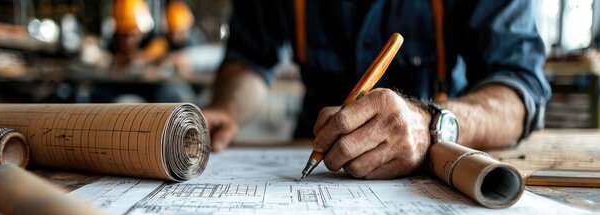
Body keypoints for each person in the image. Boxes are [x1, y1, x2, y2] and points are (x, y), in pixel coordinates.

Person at [202, 0, 551, 179]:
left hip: (437, 158)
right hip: (314, 152)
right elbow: (250, 57)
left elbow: (519, 90)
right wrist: (228, 110)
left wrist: (430, 125)